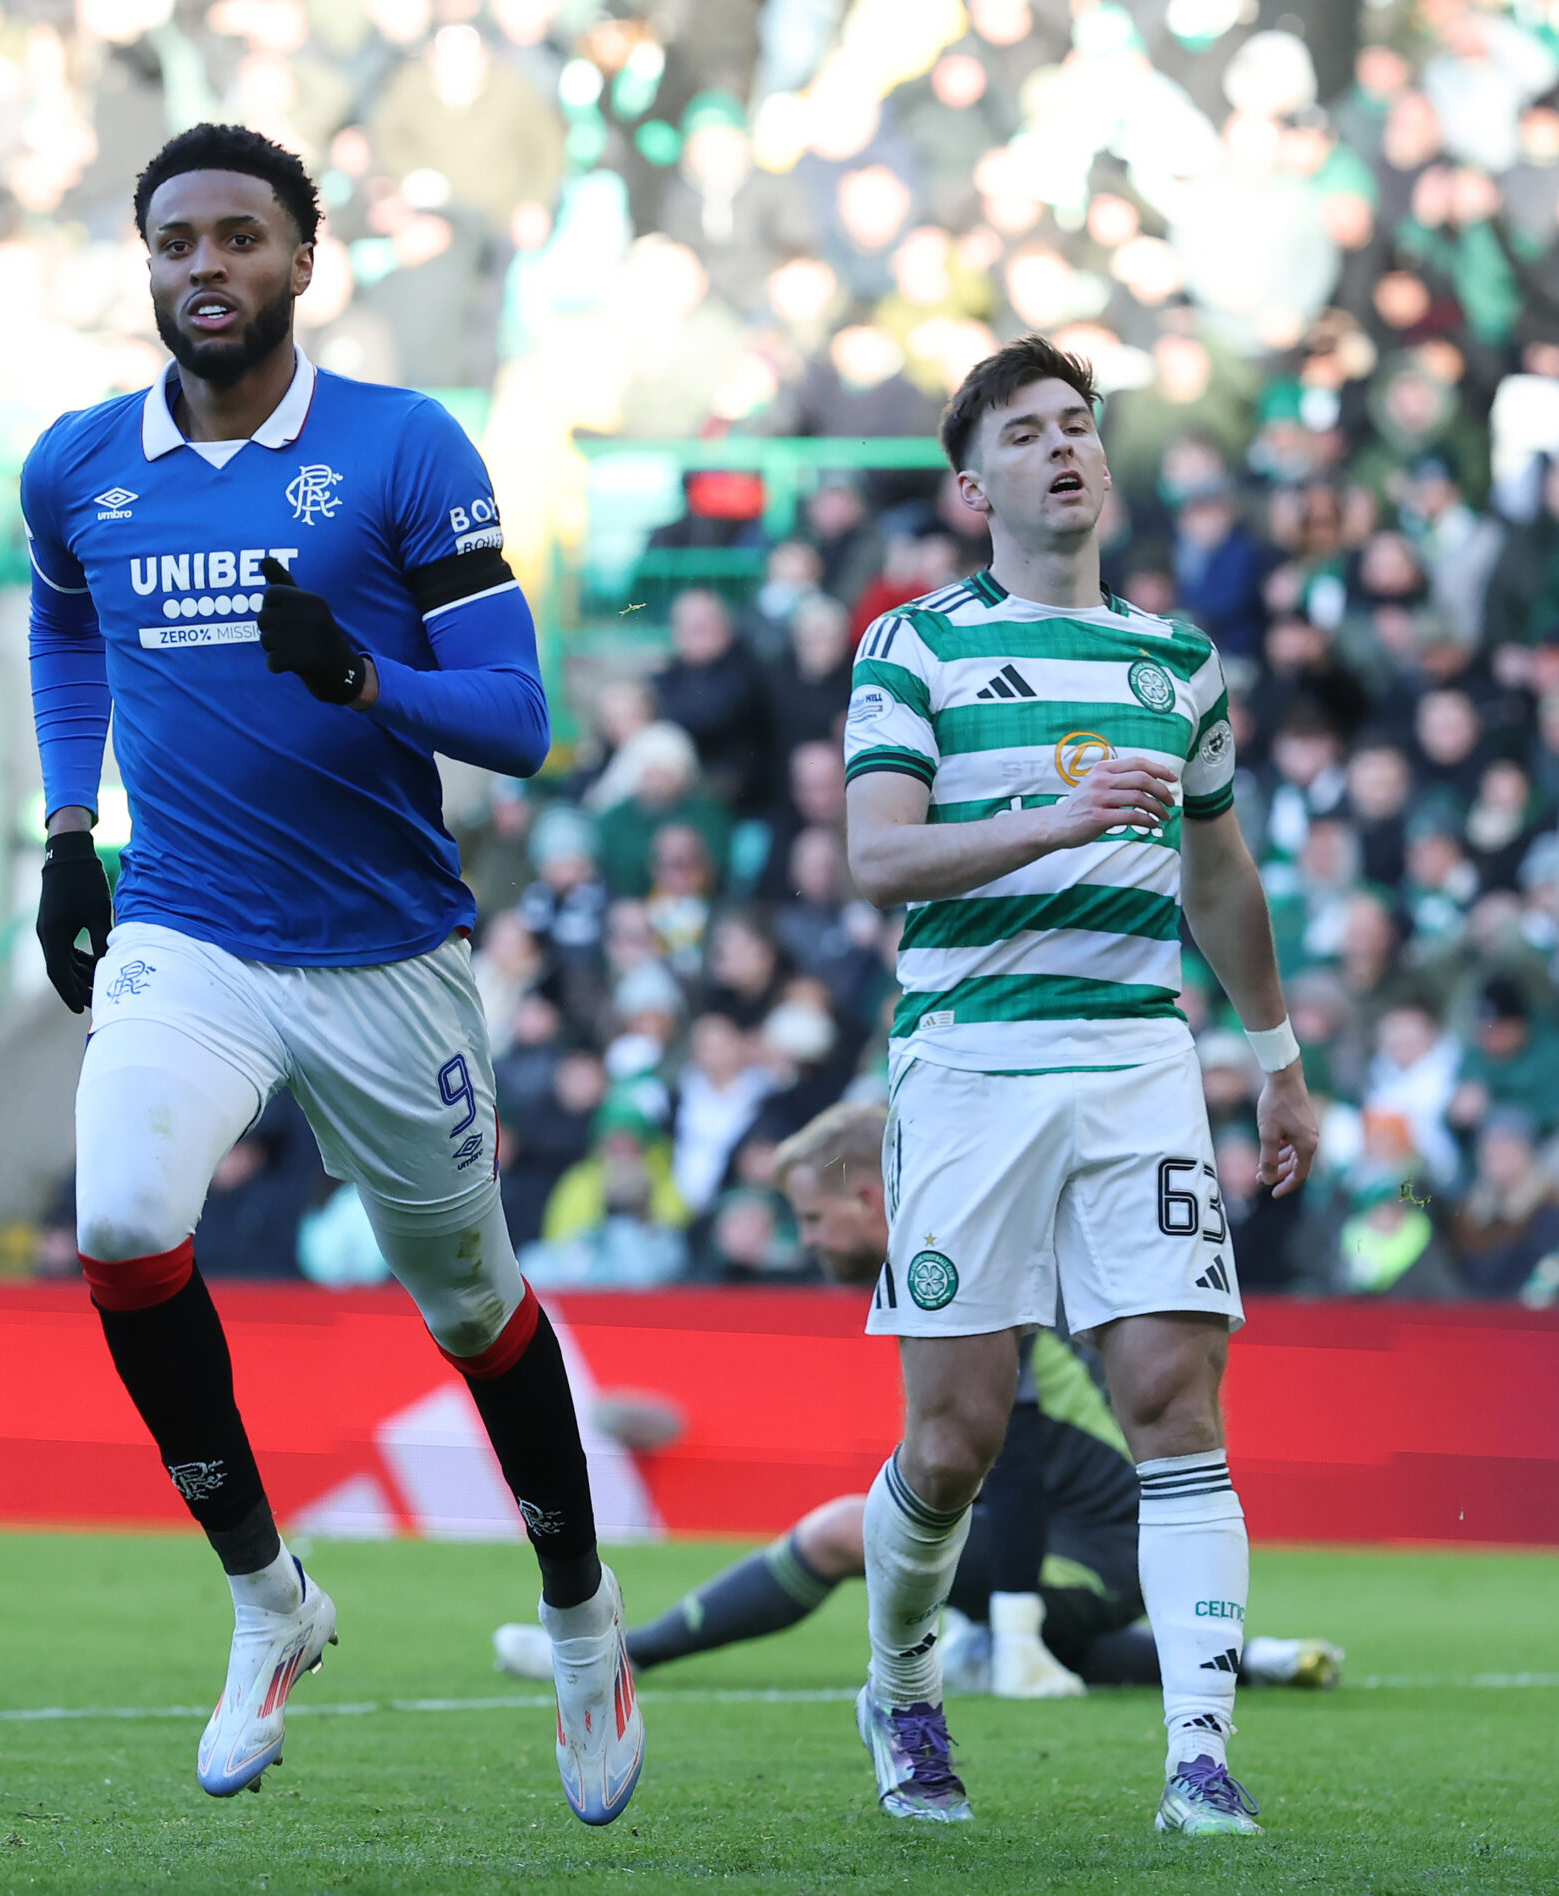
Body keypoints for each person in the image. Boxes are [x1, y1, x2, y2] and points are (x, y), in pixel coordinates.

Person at [21, 124, 641, 1823]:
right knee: (128, 1223)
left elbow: (520, 720)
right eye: (175, 242)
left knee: (469, 1304)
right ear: (145, 266)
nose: (203, 266)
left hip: (386, 950)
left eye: (238, 237)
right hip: (192, 926)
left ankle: (584, 1620)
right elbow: (65, 620)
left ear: (304, 259)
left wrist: (365, 675)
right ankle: (267, 1598)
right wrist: (69, 826)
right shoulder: (79, 465)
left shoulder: (403, 447)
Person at [838, 337, 1320, 1835]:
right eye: (1029, 433)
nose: (1066, 449)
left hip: (1136, 1058)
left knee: (1174, 1398)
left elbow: (1221, 871)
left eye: (1081, 427)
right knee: (954, 1440)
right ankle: (904, 1689)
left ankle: (1199, 1758)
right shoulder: (911, 648)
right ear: (973, 485)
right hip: (972, 1063)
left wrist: (1279, 1058)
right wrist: (1050, 818)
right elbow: (878, 858)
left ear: (1103, 465)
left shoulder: (1178, 661)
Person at [488, 1102, 1346, 1698]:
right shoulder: (944, 1260)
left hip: (1100, 1552)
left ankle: (615, 1659)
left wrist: (1012, 1621)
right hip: (1078, 1554)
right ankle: (1246, 1661)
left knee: (841, 1531)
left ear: (871, 1200)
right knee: (1037, 1633)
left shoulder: (962, 1270)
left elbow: (1017, 1467)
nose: (808, 1241)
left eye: (814, 1219)